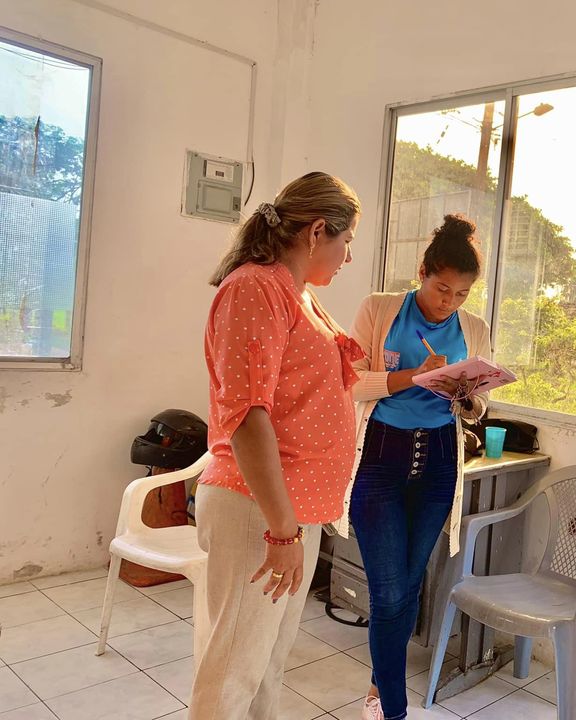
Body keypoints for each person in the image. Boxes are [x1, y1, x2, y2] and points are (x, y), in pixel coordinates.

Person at [190, 172, 363, 719]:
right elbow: (247, 416)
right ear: (317, 231)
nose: (348, 256)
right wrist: (281, 529)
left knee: (266, 665)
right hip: (258, 509)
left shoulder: (300, 295)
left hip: (291, 510)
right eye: (347, 241)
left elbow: (316, 394)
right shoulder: (254, 288)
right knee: (233, 672)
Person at [333, 213, 491, 720]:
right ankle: (393, 708)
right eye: (442, 288)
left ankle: (379, 690)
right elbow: (351, 383)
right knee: (388, 590)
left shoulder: (474, 329)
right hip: (381, 457)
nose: (449, 302)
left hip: (439, 459)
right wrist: (411, 376)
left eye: (462, 294)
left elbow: (478, 407)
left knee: (408, 582)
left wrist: (466, 396)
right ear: (422, 272)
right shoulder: (379, 309)